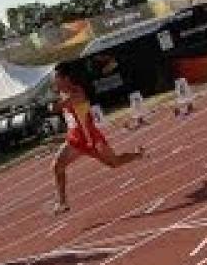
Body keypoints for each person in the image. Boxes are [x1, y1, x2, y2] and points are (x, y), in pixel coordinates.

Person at [50, 64, 145, 214]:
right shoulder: (63, 92)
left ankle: (137, 154)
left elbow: (57, 107)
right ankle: (62, 202)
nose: (53, 81)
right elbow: (69, 116)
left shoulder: (77, 92)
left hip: (91, 139)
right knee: (57, 166)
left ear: (65, 78)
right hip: (76, 139)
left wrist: (52, 104)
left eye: (56, 78)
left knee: (114, 163)